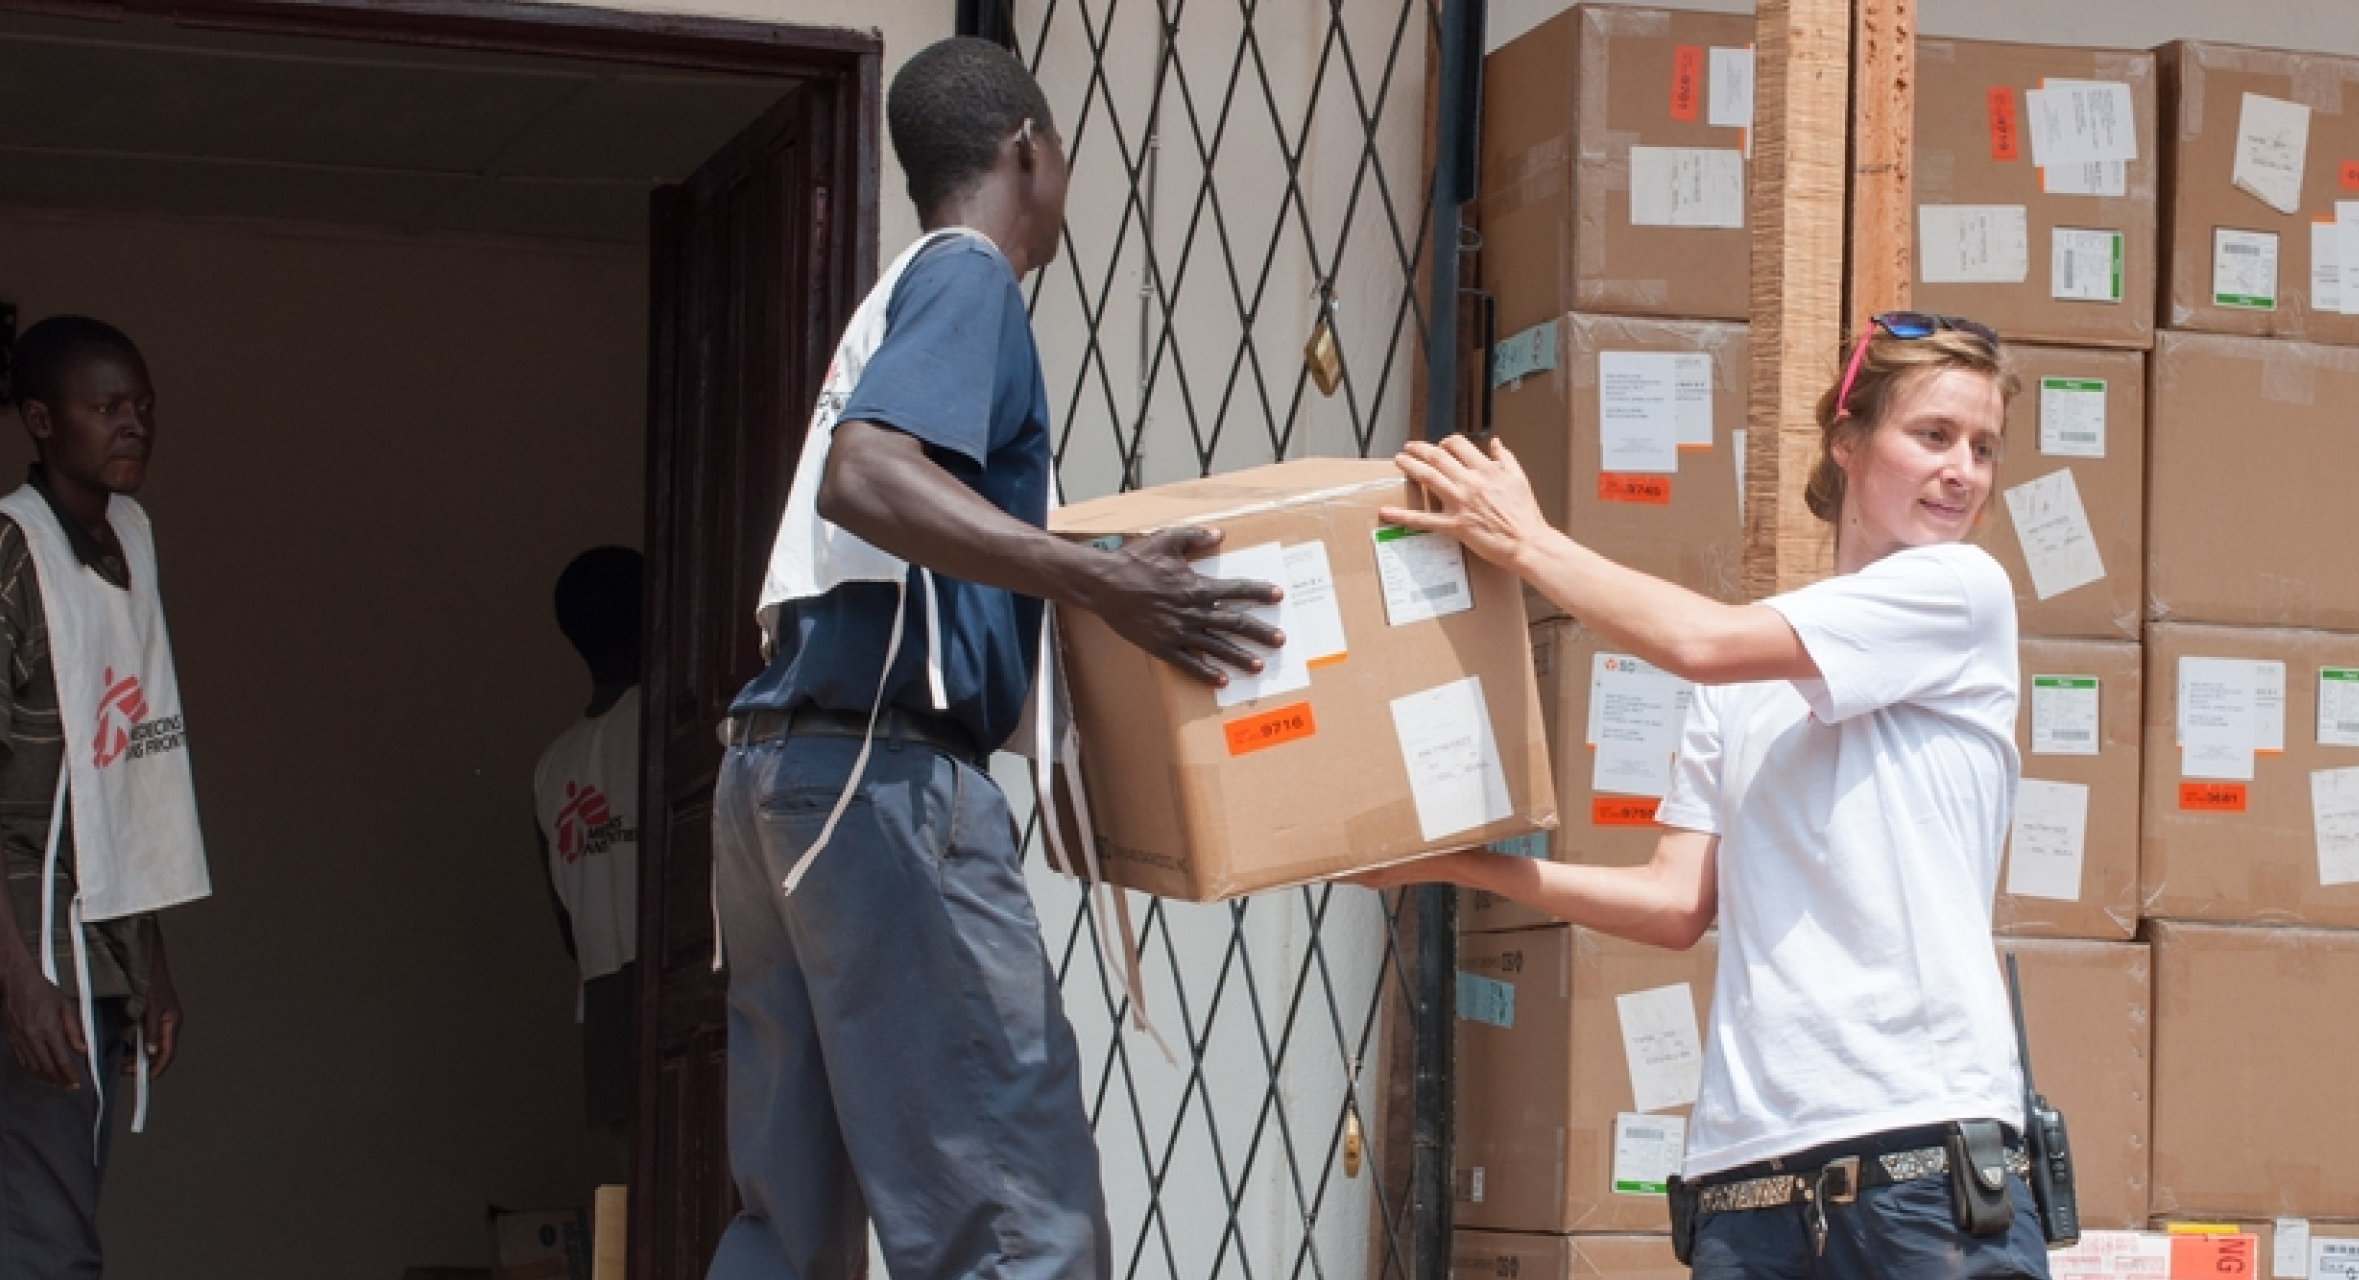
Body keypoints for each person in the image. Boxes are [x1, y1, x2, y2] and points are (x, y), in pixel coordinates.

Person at [706, 37, 1281, 1280]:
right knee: (1017, 1219)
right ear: (1028, 145)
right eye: (1062, 150)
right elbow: (869, 476)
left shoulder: (897, 296)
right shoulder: (969, 280)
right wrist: (1100, 576)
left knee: (787, 1223)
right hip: (881, 781)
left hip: (778, 780)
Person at [1363, 313, 2050, 1280]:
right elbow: (1676, 903)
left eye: (1983, 449)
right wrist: (1460, 864)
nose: (1963, 471)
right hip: (1749, 1177)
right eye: (1932, 435)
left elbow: (1702, 639)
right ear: (1847, 444)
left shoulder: (1962, 593)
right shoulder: (1744, 686)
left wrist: (1526, 542)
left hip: (1921, 1162)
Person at [0, 315, 209, 1279]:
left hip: (85, 943)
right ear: (41, 418)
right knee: (32, 1249)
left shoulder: (125, 549)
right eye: (105, 407)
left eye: (143, 406)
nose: (133, 425)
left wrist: (144, 960)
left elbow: (127, 773)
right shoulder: (2, 549)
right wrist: (19, 979)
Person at [530, 545, 643, 1138]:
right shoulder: (671, 726)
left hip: (602, 999)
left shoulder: (550, 768)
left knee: (641, 1191)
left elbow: (564, 921)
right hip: (685, 982)